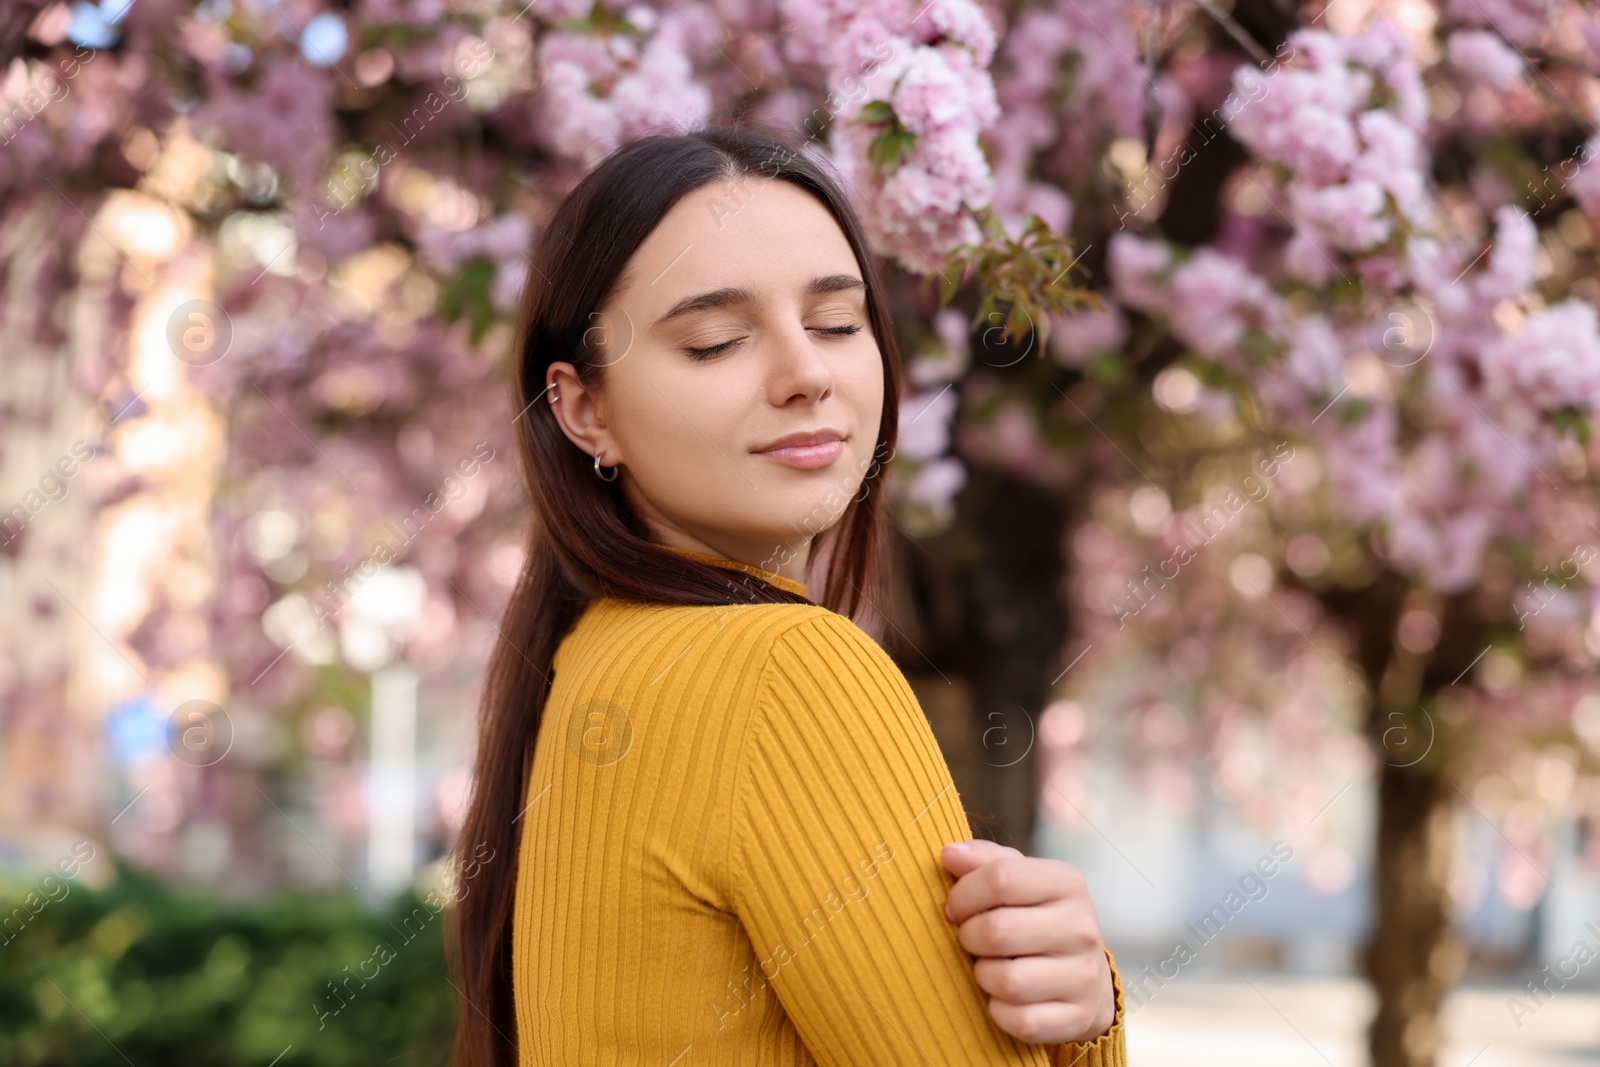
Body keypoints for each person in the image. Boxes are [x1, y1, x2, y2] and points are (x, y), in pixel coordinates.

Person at [448, 124, 1126, 1066]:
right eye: (716, 341)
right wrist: (1095, 1031)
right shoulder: (786, 669)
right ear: (583, 409)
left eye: (838, 324)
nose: (806, 373)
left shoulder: (589, 654)